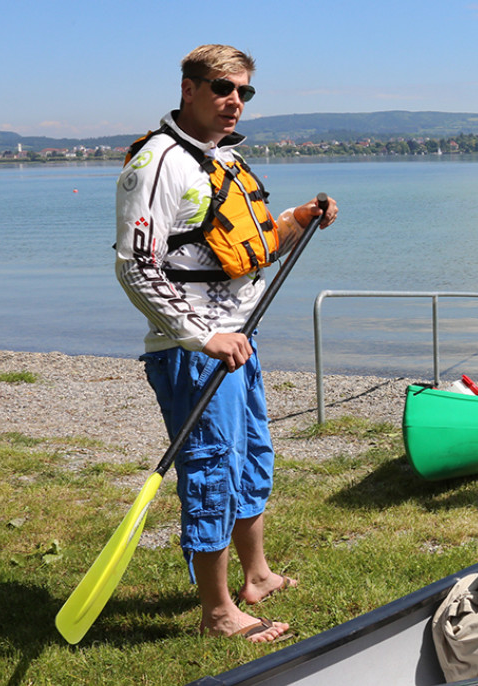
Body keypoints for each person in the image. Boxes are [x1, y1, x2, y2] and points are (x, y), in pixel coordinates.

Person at [115, 44, 339, 643]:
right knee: (212, 471)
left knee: (252, 457)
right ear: (187, 88)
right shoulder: (159, 163)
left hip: (239, 340)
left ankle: (256, 575)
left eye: (243, 91)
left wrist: (300, 216)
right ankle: (218, 613)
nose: (234, 101)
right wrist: (201, 336)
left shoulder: (220, 160)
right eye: (221, 88)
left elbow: (252, 247)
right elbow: (137, 267)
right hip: (193, 353)